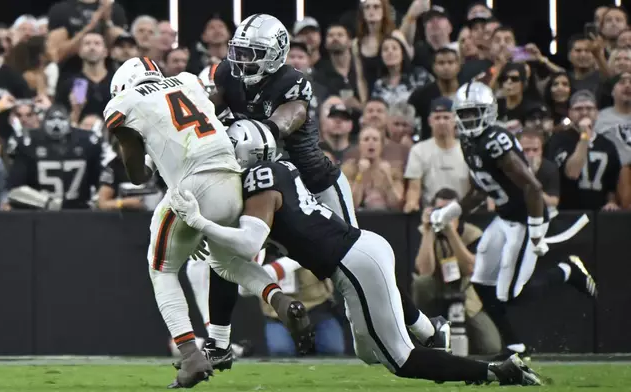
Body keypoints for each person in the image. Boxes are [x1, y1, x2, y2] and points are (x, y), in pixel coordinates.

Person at [169, 119, 543, 386]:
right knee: (369, 352)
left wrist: (199, 221)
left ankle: (495, 372)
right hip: (358, 255)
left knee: (401, 361)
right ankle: (432, 331)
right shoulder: (277, 168)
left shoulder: (259, 180)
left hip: (354, 263)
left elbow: (250, 244)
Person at [208, 14, 434, 370]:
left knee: (354, 263)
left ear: (274, 55)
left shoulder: (293, 81)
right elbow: (209, 112)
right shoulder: (227, 74)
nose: (242, 61)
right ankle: (218, 342)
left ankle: (423, 328)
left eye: (252, 54)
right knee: (225, 255)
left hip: (316, 184)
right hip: (264, 185)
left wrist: (260, 131)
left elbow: (290, 117)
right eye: (240, 52)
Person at [102, 57, 313, 388]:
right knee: (227, 261)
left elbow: (136, 172)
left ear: (123, 86)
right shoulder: (187, 80)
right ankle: (281, 300)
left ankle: (190, 355)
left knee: (162, 269)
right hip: (231, 180)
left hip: (192, 185)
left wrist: (145, 160)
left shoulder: (126, 101)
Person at [434, 81, 598, 360]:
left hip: (526, 220)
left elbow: (532, 188)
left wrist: (535, 233)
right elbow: (478, 189)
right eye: (465, 114)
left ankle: (566, 271)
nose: (470, 119)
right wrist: (450, 212)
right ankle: (514, 346)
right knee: (481, 281)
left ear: (489, 112)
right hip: (505, 217)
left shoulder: (495, 141)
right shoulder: (468, 141)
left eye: (476, 112)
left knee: (508, 294)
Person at [7, 104, 101, 210]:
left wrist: (96, 201)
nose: (56, 123)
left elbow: (100, 183)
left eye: (61, 119)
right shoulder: (28, 143)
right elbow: (14, 189)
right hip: (38, 212)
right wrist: (48, 203)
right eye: (52, 119)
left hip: (79, 211)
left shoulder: (88, 142)